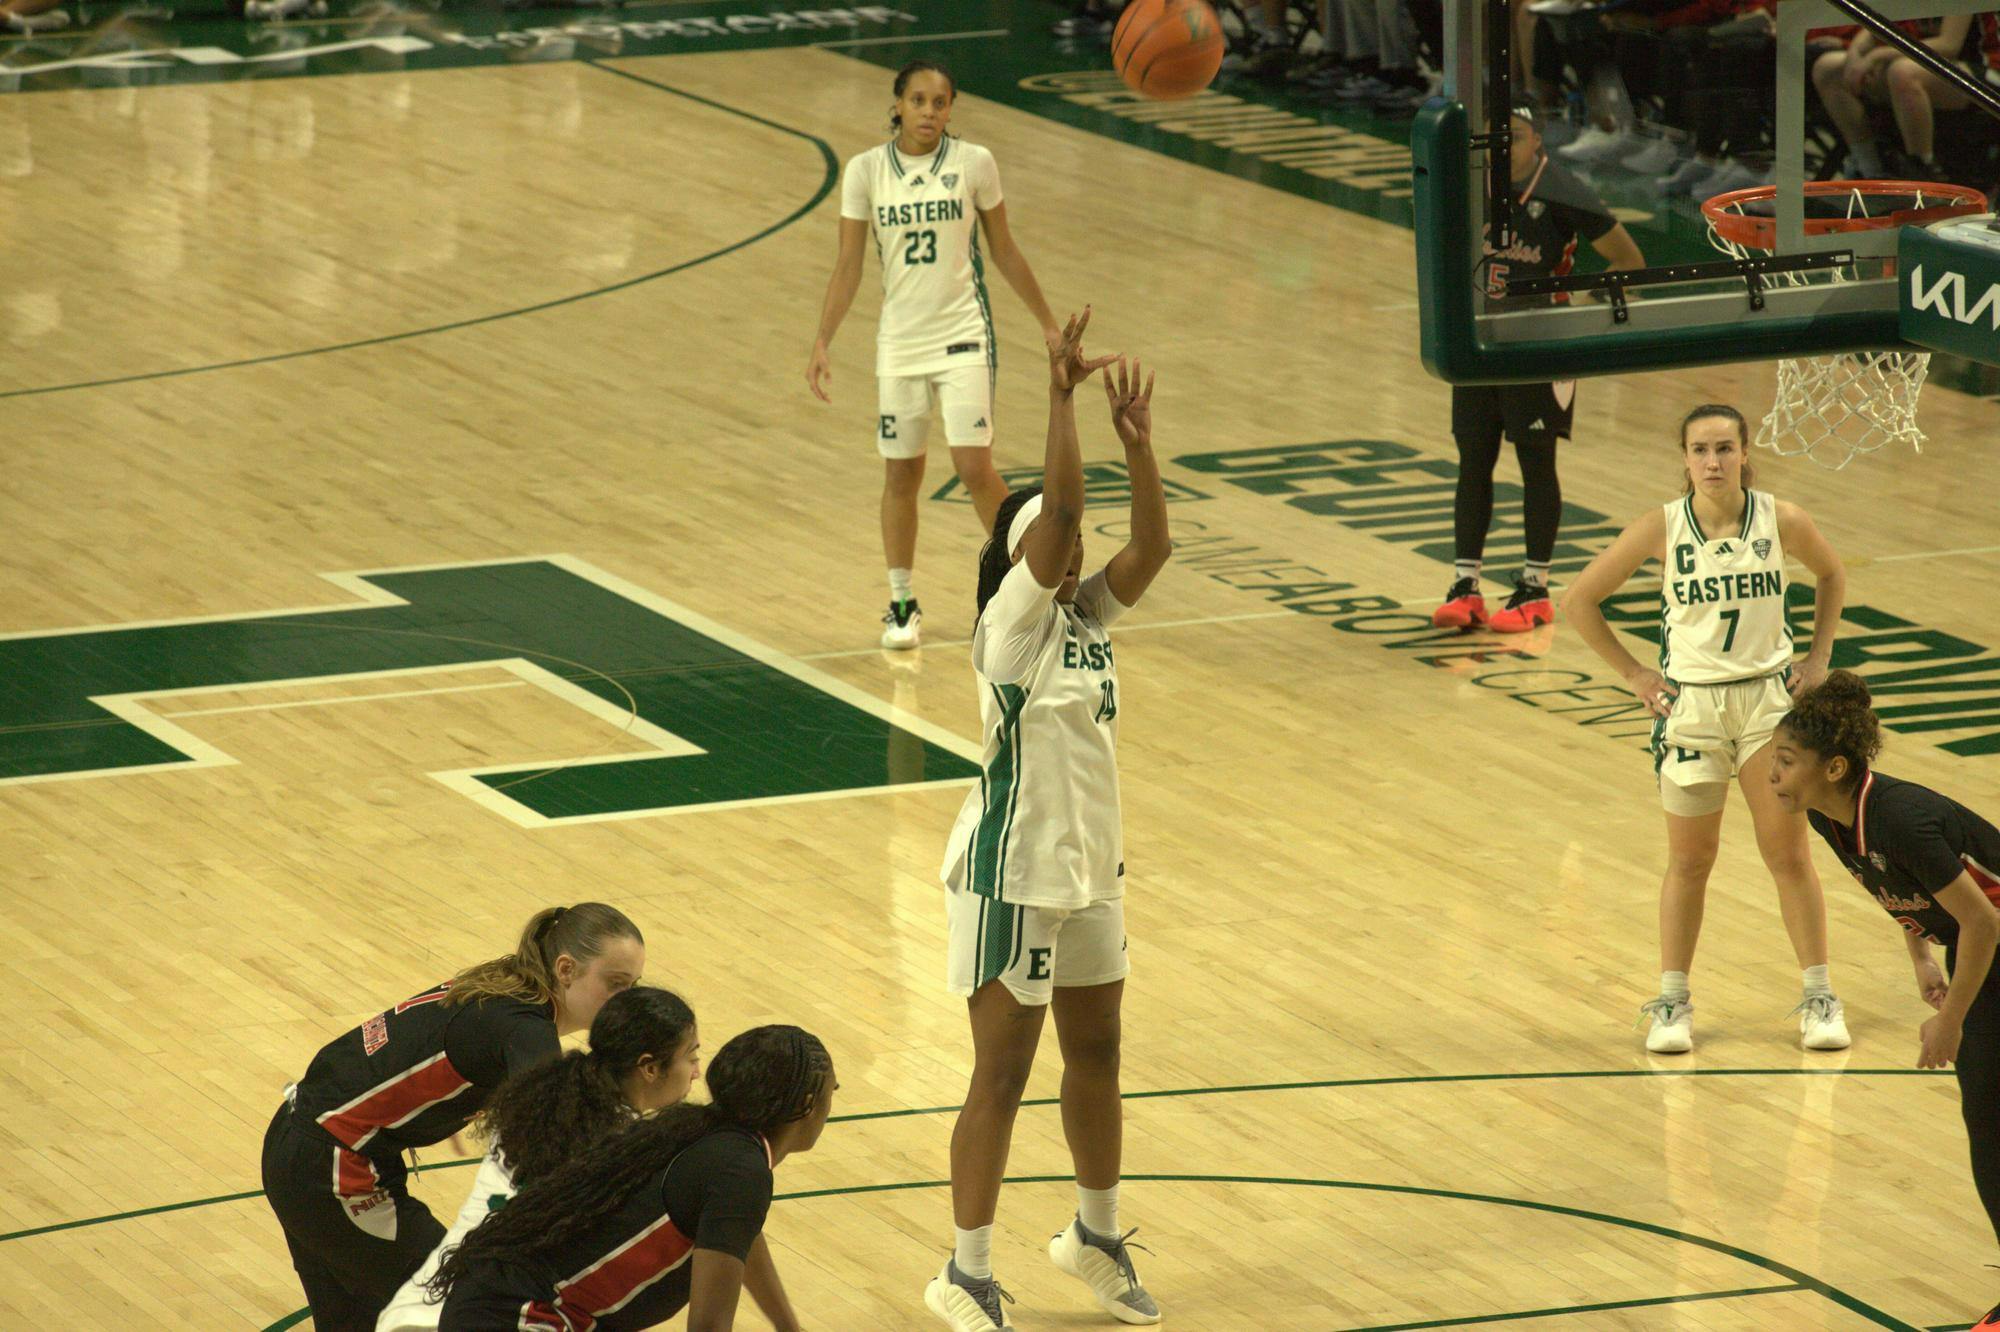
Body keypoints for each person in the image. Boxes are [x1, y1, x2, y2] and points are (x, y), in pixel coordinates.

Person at [926, 310, 1172, 1332]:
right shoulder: (1009, 627)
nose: (1068, 553)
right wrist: (1060, 396)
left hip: (1088, 872)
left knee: (1100, 1053)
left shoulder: (1082, 621)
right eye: (1047, 543)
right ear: (1023, 556)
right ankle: (965, 1270)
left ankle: (1093, 1234)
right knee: (1003, 1071)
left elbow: (1152, 544)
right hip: (1009, 872)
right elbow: (1066, 508)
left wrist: (1139, 444)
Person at [1561, 405, 1851, 1054]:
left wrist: (1819, 657)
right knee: (1691, 861)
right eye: (1701, 450)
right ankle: (1672, 1002)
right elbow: (1579, 600)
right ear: (1685, 459)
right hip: (1691, 707)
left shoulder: (1782, 519)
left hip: (1767, 708)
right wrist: (1635, 673)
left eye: (1725, 447)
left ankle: (1819, 994)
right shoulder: (1660, 528)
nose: (1713, 461)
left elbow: (1832, 574)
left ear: (1746, 451)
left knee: (1788, 854)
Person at [262, 903, 645, 1332]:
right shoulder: (525, 1027)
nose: (627, 1002)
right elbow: (551, 1150)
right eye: (616, 985)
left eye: (634, 986)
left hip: (299, 1145)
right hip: (333, 1169)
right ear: (567, 969)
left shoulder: (510, 984)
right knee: (470, 1307)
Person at [1770, 672, 2000, 1329]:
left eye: (1786, 762)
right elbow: (1894, 889)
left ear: (1833, 767)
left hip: (1993, 942)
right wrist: (1924, 955)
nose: (1772, 776)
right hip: (1977, 951)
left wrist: (1950, 1019)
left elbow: (1985, 921)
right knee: (1989, 1122)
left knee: (1991, 1124)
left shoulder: (1900, 816)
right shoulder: (1830, 816)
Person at [808, 58, 1062, 651]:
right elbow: (848, 266)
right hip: (899, 344)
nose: (929, 112)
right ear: (897, 104)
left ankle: (1026, 588)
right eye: (918, 101)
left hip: (963, 336)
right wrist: (823, 339)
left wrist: (1048, 322)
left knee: (974, 466)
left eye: (940, 102)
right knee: (902, 474)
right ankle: (901, 601)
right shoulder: (866, 171)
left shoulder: (974, 164)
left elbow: (1003, 250)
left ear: (951, 108)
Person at [429, 1025, 835, 1332]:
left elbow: (740, 1238)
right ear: (805, 1104)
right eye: (831, 1091)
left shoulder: (713, 1140)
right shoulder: (739, 1171)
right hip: (520, 1319)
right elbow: (709, 1327)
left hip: (495, 1304)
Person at [377, 985, 700, 1331]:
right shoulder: (619, 1152)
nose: (696, 1072)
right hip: (481, 1313)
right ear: (649, 1068)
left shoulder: (547, 1098)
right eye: (692, 1057)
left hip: (430, 1302)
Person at [1436, 106, 1644, 635]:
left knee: (1535, 463)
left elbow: (1630, 263)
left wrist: (1578, 310)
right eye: (1497, 140)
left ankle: (1535, 588)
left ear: (1539, 143)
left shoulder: (1565, 191)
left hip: (1542, 348)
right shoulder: (1470, 186)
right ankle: (1465, 586)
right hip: (1482, 343)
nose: (1505, 149)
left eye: (1518, 138)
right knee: (1473, 460)